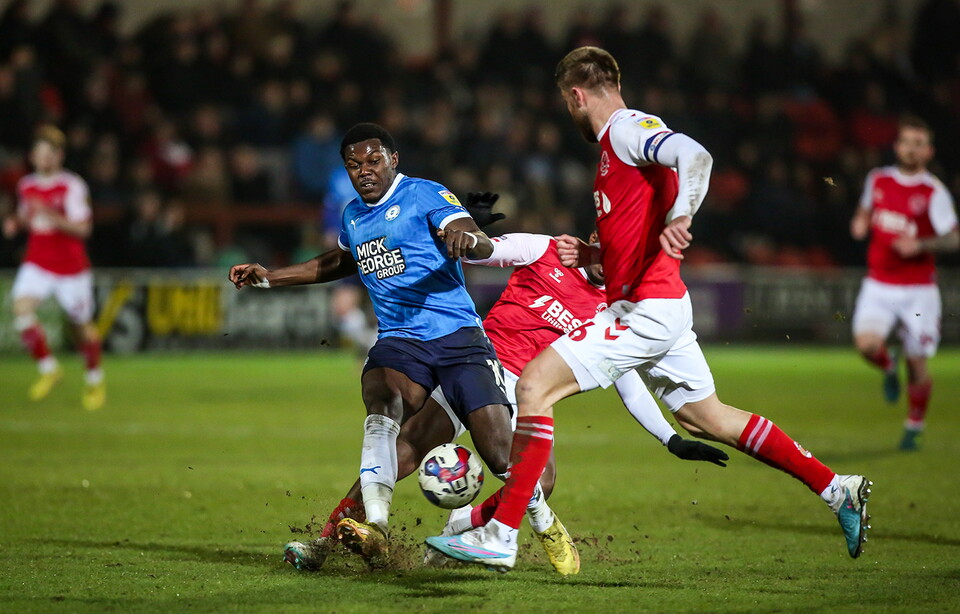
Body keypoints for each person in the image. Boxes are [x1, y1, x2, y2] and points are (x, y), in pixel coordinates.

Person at [426, 47, 872, 571]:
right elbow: (636, 229)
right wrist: (595, 255)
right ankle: (836, 488)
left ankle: (500, 535)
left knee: (533, 387)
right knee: (706, 418)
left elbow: (696, 155)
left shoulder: (624, 129)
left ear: (575, 95)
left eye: (566, 103)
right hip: (663, 303)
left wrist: (683, 215)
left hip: (643, 309)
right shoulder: (625, 144)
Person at [283, 219, 729, 575]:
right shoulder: (546, 249)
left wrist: (669, 439)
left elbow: (628, 381)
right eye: (599, 239)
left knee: (543, 482)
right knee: (405, 448)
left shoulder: (618, 309)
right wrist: (466, 238)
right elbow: (491, 250)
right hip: (477, 369)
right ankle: (327, 538)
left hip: (532, 395)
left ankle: (466, 523)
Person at [229, 123, 569, 568]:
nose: (364, 171)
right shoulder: (353, 215)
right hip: (400, 342)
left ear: (393, 160)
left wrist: (469, 240)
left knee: (502, 455)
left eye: (373, 161)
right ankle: (360, 530)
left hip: (459, 342)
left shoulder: (425, 194)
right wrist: (270, 276)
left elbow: (473, 234)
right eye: (354, 165)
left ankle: (543, 521)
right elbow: (339, 260)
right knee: (384, 405)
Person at [849, 116, 959, 451]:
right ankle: (887, 363)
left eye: (918, 143)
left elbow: (953, 238)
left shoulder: (932, 191)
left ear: (928, 151)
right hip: (879, 283)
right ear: (896, 145)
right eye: (905, 141)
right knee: (866, 345)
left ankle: (914, 425)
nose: (910, 149)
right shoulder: (878, 178)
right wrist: (860, 221)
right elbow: (865, 210)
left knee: (918, 362)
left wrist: (921, 244)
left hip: (918, 290)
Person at [3, 125, 105, 411]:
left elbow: (84, 229)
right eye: (39, 153)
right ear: (32, 156)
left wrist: (50, 213)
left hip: (70, 266)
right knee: (21, 308)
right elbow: (27, 217)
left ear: (59, 155)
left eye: (49, 153)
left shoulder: (72, 186)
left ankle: (94, 379)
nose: (44, 159)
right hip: (37, 260)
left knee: (81, 327)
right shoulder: (26, 185)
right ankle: (49, 369)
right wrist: (15, 223)